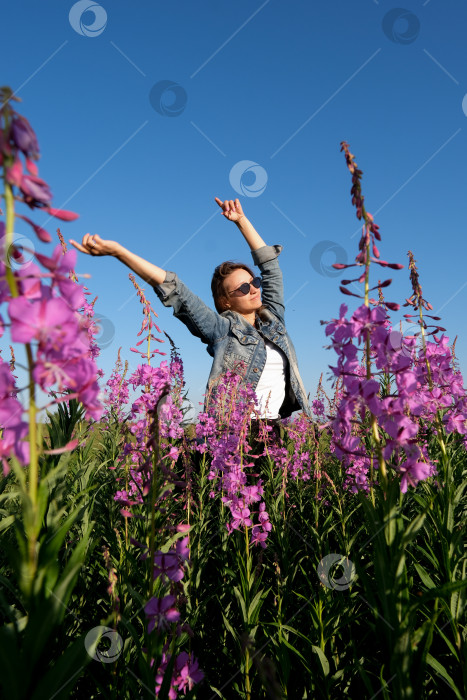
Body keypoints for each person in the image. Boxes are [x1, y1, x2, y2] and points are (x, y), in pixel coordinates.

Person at [70, 197, 310, 422]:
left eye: (254, 282)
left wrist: (241, 221)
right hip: (232, 434)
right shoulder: (222, 330)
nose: (254, 289)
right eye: (243, 288)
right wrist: (120, 253)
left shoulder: (274, 319)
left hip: (275, 431)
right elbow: (178, 292)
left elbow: (271, 267)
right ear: (225, 301)